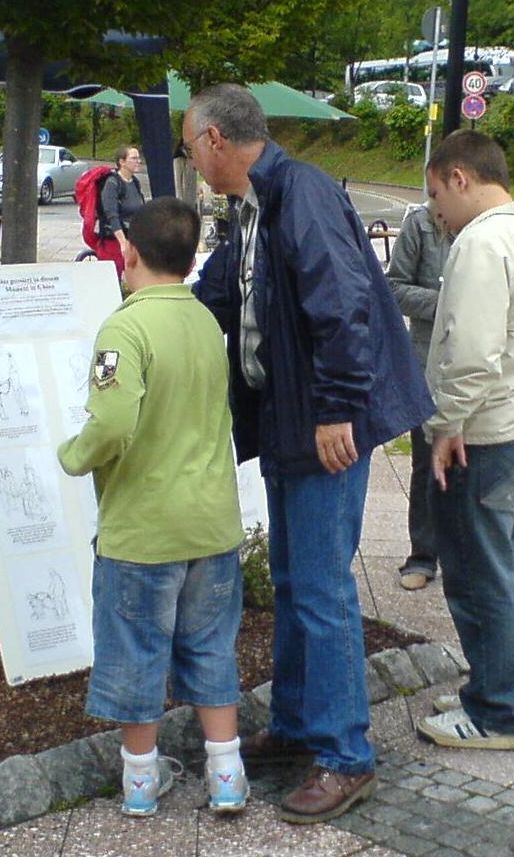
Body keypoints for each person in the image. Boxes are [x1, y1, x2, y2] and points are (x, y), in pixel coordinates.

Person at [187, 84, 433, 823]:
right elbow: (224, 295)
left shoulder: (302, 193)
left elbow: (344, 303)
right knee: (293, 581)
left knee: (322, 589)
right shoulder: (252, 206)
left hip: (324, 423)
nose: (191, 159)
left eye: (190, 145)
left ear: (215, 139)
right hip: (287, 421)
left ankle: (345, 754)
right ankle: (297, 724)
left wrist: (336, 409)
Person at [56, 197, 249, 817]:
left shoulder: (125, 328)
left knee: (136, 650)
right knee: (212, 647)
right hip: (212, 522)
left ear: (129, 251)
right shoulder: (205, 321)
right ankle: (226, 773)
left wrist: (74, 455)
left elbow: (112, 423)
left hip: (143, 528)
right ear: (191, 261)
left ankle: (141, 781)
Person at [414, 130, 514, 751]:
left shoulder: (481, 242)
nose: (436, 213)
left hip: (484, 432)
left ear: (459, 178)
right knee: (509, 570)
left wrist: (447, 424)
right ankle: (508, 689)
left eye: (436, 196)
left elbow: (473, 353)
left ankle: (498, 711)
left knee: (479, 576)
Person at [384, 201, 452, 591]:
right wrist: (448, 304)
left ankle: (466, 558)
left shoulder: (488, 227)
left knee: (476, 465)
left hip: (483, 365)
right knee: (426, 462)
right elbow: (393, 288)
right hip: (428, 364)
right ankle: (423, 555)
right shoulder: (421, 224)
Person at [97, 144, 145, 278]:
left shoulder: (135, 182)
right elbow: (112, 214)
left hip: (133, 241)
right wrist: (122, 243)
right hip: (114, 243)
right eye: (134, 158)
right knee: (112, 280)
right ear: (122, 162)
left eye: (138, 158)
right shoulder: (112, 184)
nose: (138, 161)